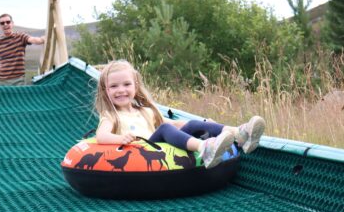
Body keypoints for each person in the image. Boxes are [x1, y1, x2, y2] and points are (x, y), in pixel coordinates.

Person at [95, 60, 266, 169]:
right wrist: (120, 139)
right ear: (105, 90)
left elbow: (176, 125)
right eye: (114, 86)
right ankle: (203, 149)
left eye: (126, 84)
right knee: (164, 128)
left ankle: (240, 134)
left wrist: (206, 123)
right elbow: (101, 136)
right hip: (140, 153)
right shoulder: (111, 115)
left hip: (157, 148)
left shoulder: (144, 111)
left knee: (188, 124)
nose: (121, 90)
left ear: (135, 86)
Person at [0, 14, 45, 85]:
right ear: (0, 26)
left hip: (19, 80)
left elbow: (34, 40)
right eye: (2, 23)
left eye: (8, 22)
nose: (5, 24)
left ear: (12, 23)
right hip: (2, 81)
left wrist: (43, 39)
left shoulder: (20, 37)